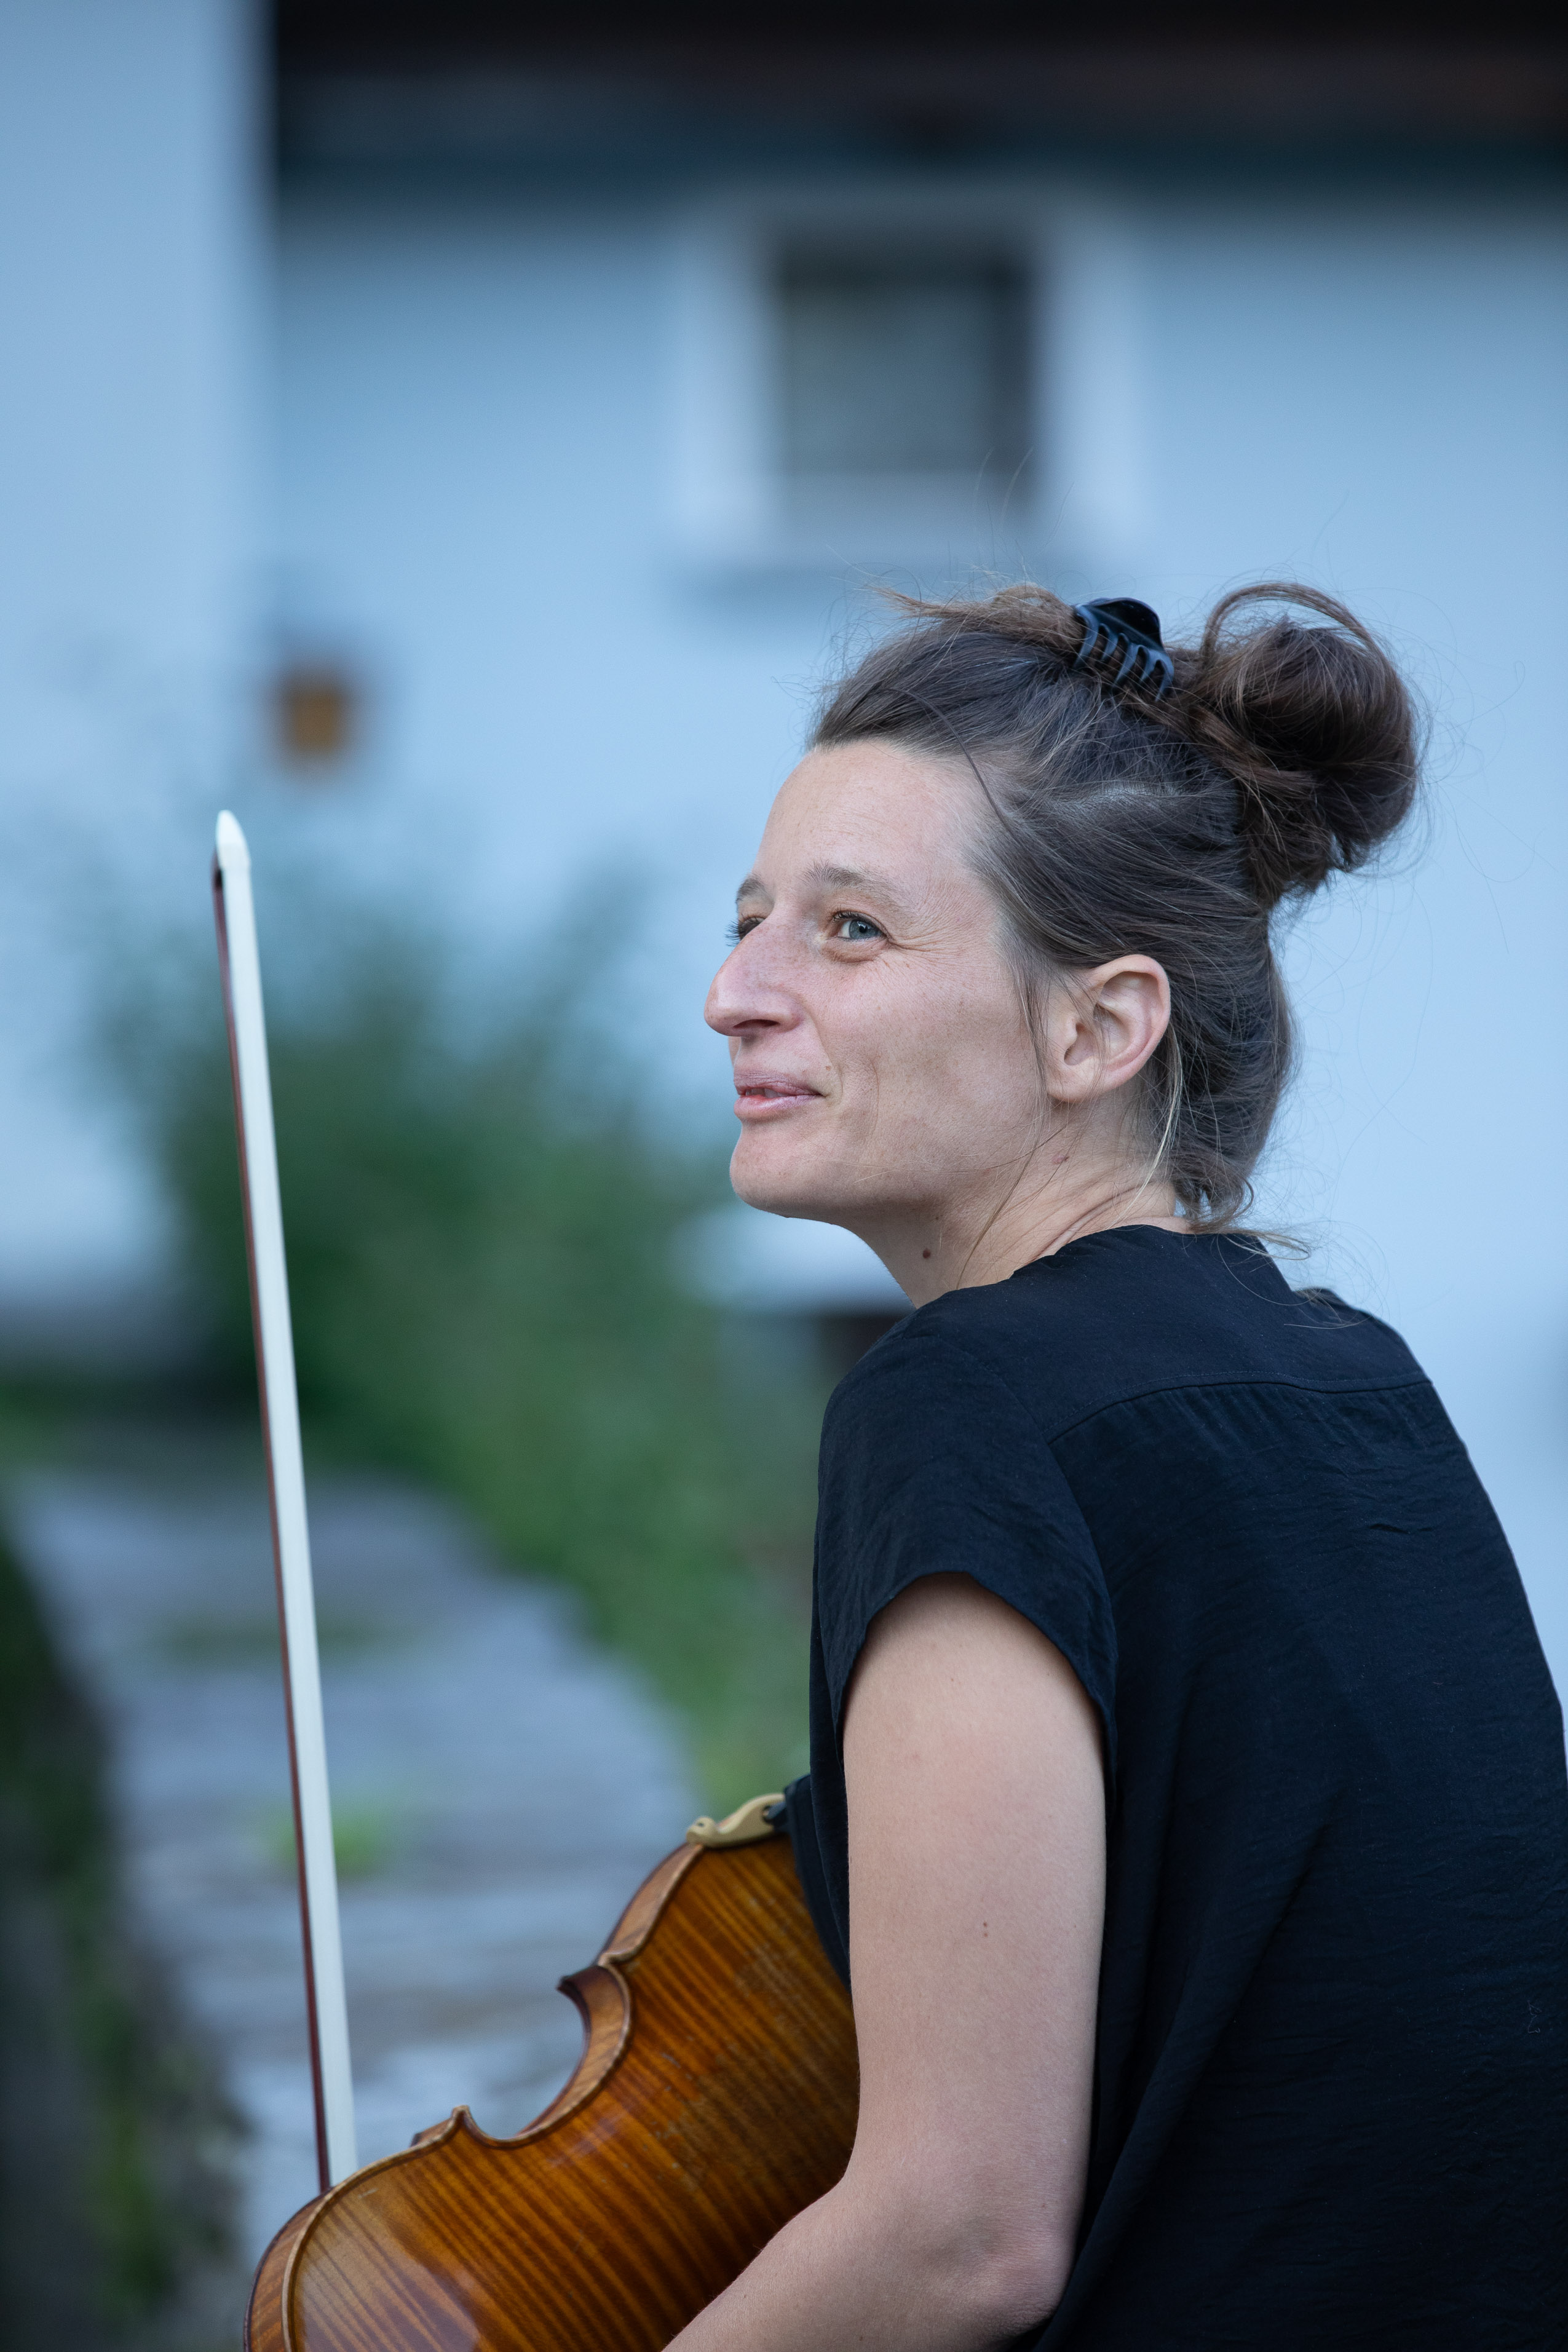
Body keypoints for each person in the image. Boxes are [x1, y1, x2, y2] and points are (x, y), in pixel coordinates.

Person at [675, 583, 1567, 2350]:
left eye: (850, 930)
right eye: (749, 921)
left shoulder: (963, 1406)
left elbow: (961, 2232)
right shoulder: (1362, 1384)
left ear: (1098, 1028)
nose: (733, 997)